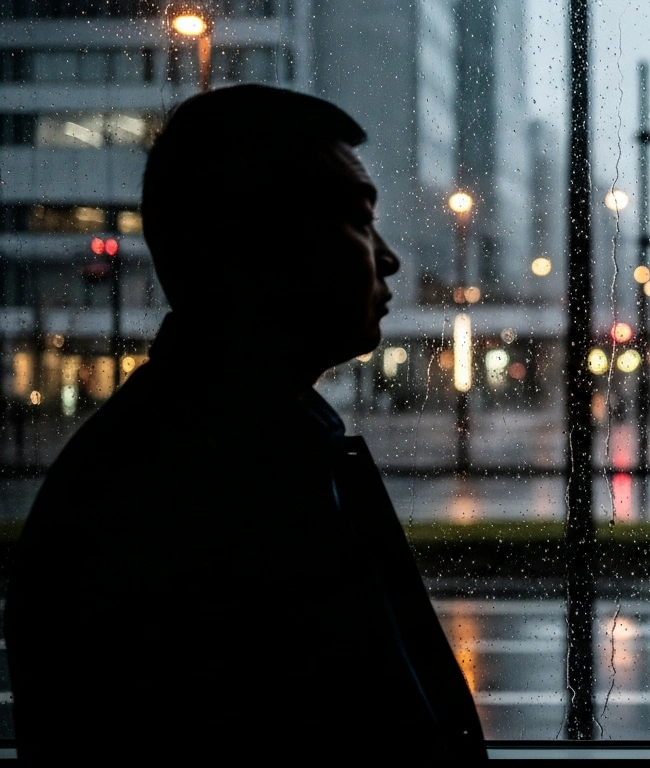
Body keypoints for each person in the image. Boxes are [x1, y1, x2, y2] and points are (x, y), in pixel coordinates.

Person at [3, 85, 486, 762]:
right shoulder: (201, 486)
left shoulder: (221, 444)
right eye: (356, 218)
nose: (387, 257)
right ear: (254, 244)